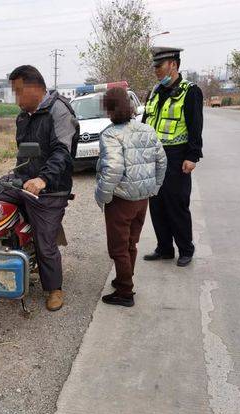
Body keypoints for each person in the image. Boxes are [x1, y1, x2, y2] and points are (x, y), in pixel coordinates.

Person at [0, 65, 79, 311]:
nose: (15, 99)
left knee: (45, 243)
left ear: (35, 88)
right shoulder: (23, 116)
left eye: (18, 92)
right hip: (22, 182)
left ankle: (54, 288)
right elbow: (23, 153)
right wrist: (18, 177)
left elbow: (62, 152)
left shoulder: (59, 111)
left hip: (50, 189)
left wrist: (42, 180)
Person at [95, 87, 167, 307]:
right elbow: (161, 161)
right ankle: (123, 279)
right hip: (141, 200)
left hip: (121, 200)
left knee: (118, 247)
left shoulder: (110, 134)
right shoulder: (147, 129)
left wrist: (103, 196)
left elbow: (113, 169)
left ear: (110, 109)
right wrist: (154, 187)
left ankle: (125, 292)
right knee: (131, 243)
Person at [142, 47, 203, 267]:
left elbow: (196, 125)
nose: (156, 70)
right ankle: (164, 248)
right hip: (153, 156)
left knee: (176, 205)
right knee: (157, 205)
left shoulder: (190, 91)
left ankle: (186, 248)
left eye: (160, 66)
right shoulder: (156, 91)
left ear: (173, 65)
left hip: (176, 156)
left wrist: (193, 156)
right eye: (155, 67)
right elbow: (146, 121)